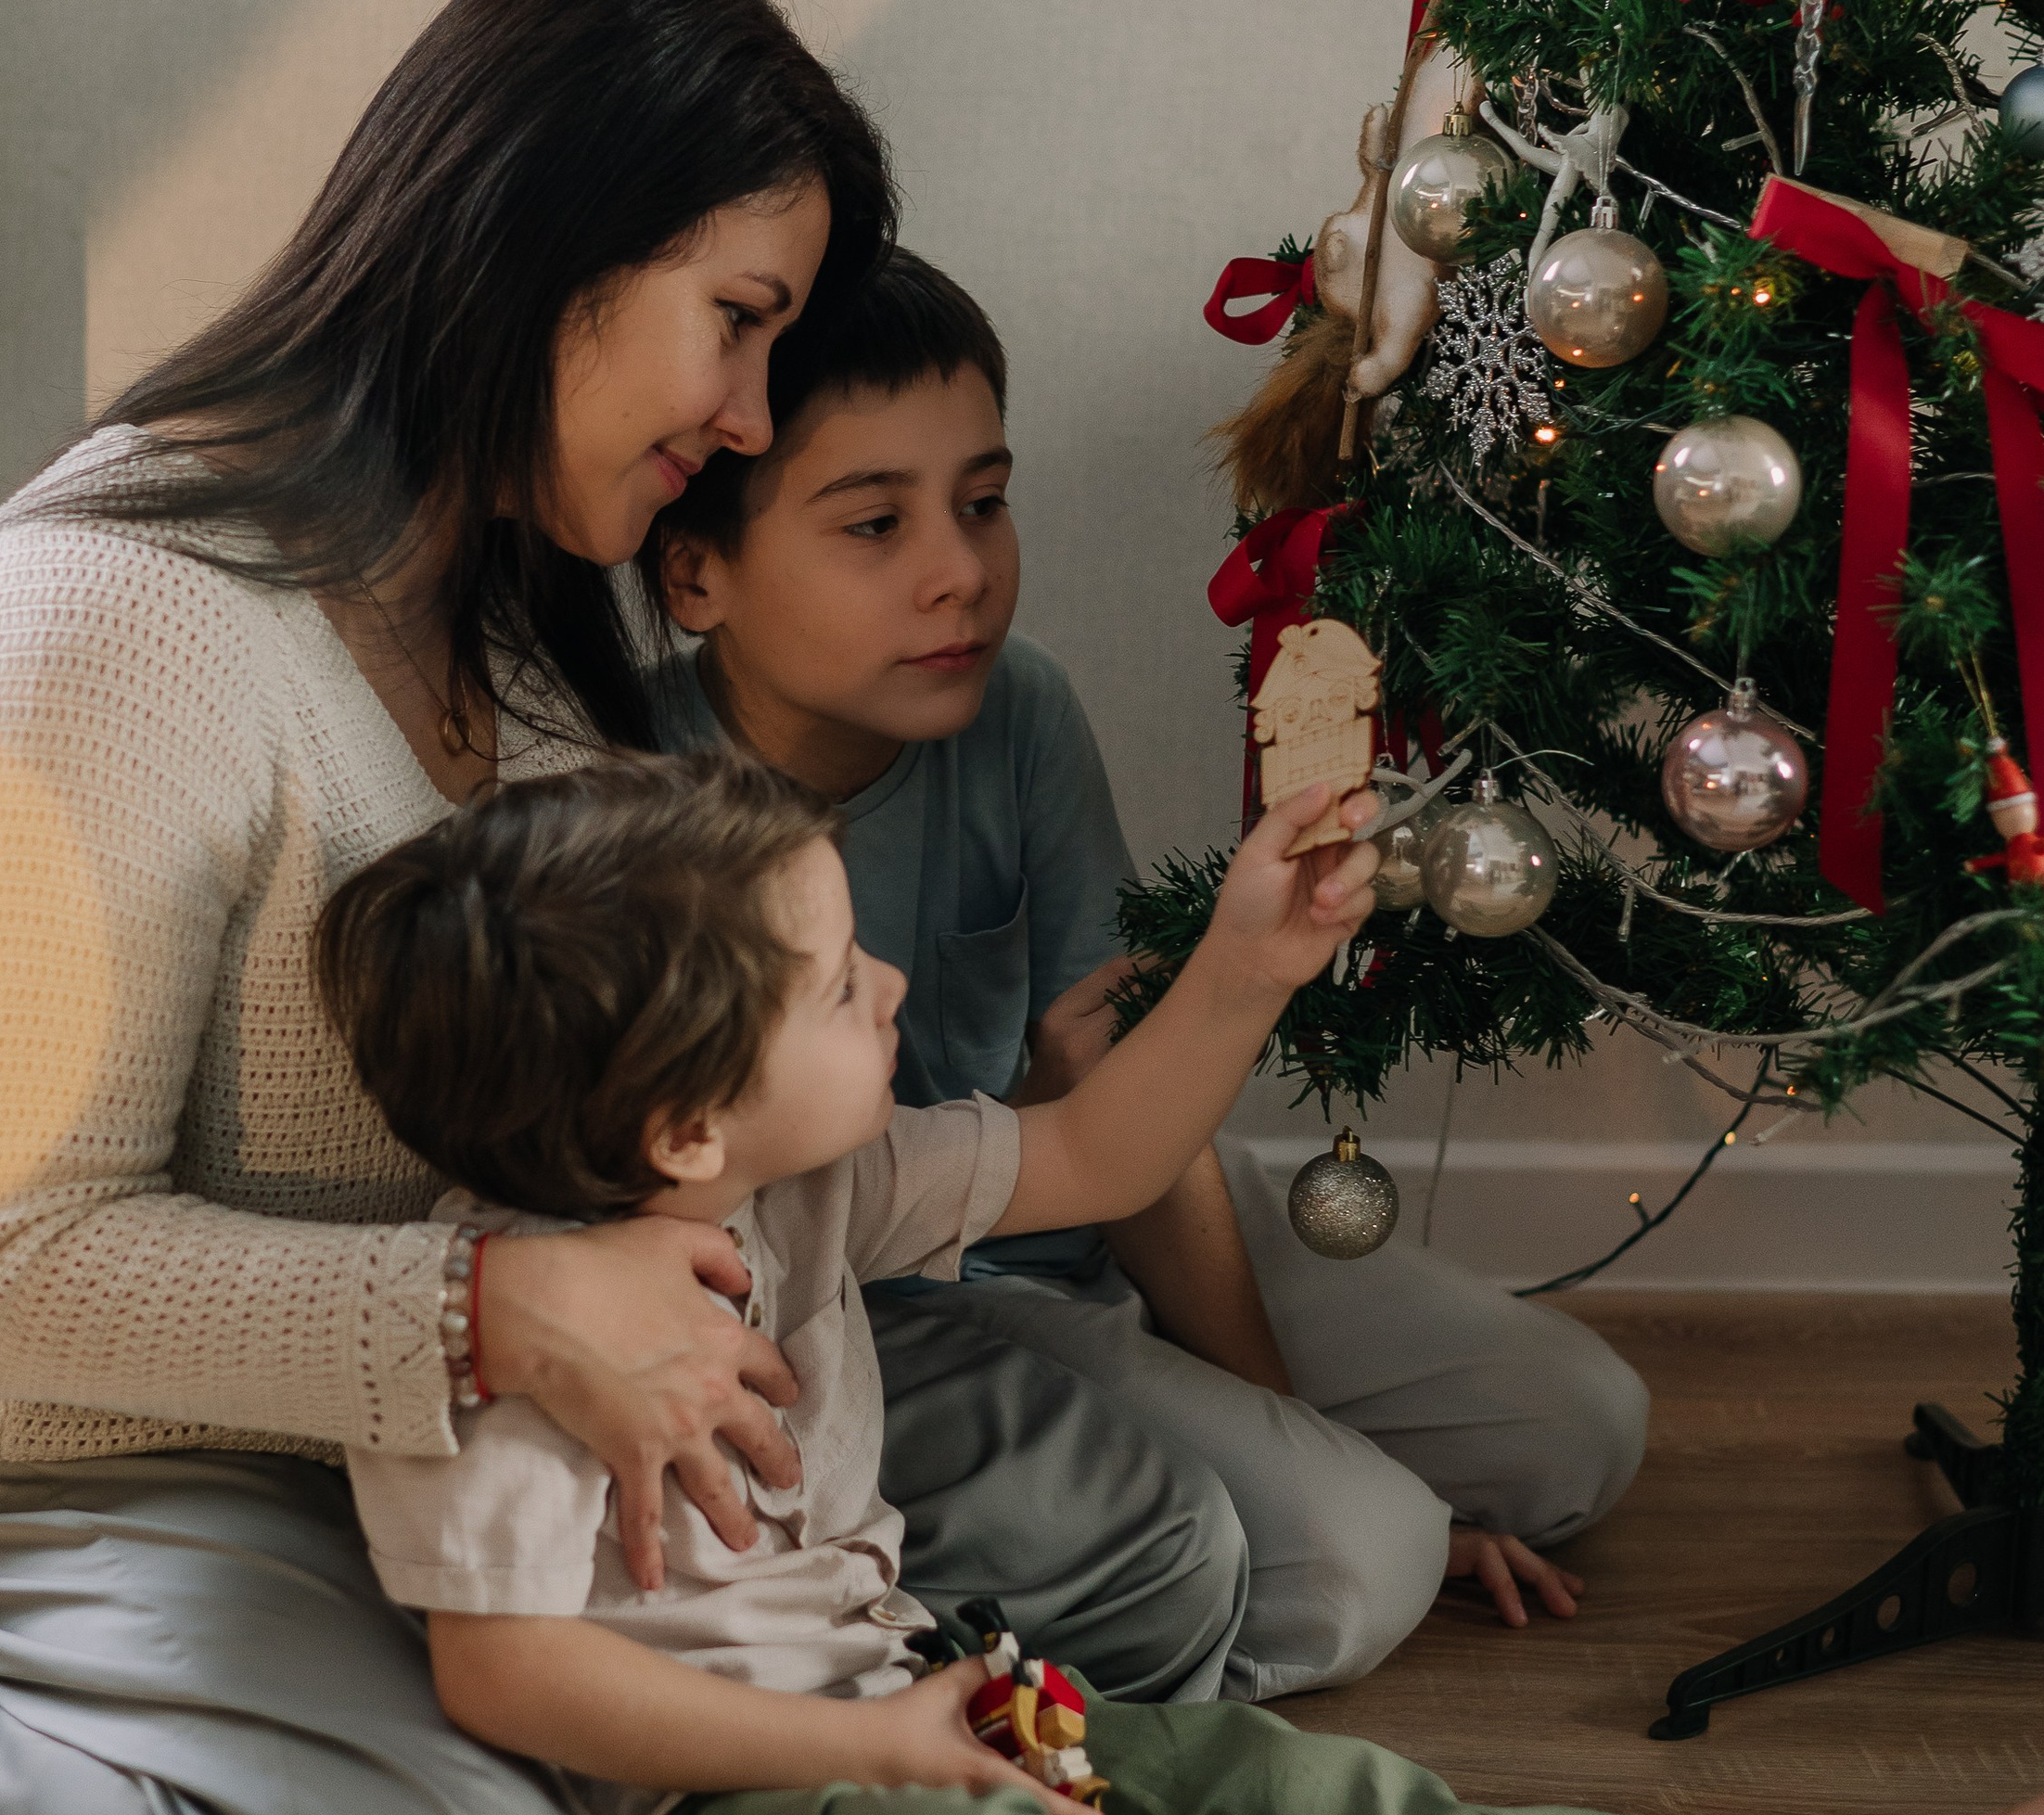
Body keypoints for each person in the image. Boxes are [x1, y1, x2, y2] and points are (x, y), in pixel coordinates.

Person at [0, 0, 1248, 1815]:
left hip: (490, 1407)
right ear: (545, 253)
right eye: (736, 328)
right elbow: (8, 1278)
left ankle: (672, 1769)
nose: (748, 418)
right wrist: (491, 1311)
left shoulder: (515, 608)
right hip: (98, 1455)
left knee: (1190, 1549)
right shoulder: (93, 634)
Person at [324, 747, 2044, 1815]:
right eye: (843, 984)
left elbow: (1101, 1158)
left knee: (1293, 1796)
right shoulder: (499, 1345)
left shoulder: (815, 1185)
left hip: (929, 1703)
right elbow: (508, 1673)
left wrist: (1246, 964)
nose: (897, 981)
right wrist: (876, 1752)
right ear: (687, 1121)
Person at [640, 248, 1650, 1701]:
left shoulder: (1018, 706)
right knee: (1359, 1559)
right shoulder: (637, 809)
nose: (961, 570)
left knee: (1579, 1429)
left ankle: (1274, 1493)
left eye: (984, 502)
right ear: (697, 570)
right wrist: (1351, 1482)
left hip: (1101, 1188)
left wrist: (1294, 1426)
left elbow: (1122, 1119)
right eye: (876, 522)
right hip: (886, 1295)